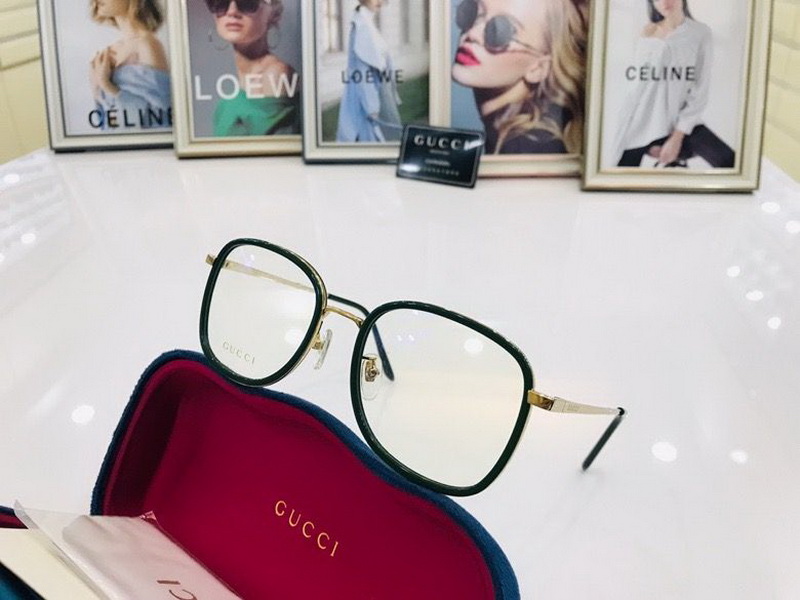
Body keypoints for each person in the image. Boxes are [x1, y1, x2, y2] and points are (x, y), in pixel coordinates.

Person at [450, 0, 587, 155]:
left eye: (501, 31)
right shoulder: (512, 134)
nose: (472, 34)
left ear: (538, 68)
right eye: (471, 13)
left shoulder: (526, 146)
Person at [613, 0, 732, 168]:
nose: (664, 2)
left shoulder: (700, 33)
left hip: (681, 124)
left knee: (729, 162)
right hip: (641, 124)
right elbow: (636, 89)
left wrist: (676, 138)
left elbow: (700, 90)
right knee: (620, 175)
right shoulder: (646, 33)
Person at [205, 0, 300, 137]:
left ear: (274, 13)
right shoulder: (234, 89)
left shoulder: (275, 75)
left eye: (247, 2)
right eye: (221, 2)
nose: (232, 12)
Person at [90, 0, 171, 130]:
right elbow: (103, 121)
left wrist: (107, 86)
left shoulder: (148, 45)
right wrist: (97, 89)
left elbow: (163, 115)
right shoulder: (109, 51)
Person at [336, 0, 403, 143]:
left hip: (380, 89)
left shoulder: (367, 22)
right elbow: (362, 72)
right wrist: (371, 107)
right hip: (368, 94)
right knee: (371, 137)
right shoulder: (362, 26)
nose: (380, 1)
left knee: (388, 137)